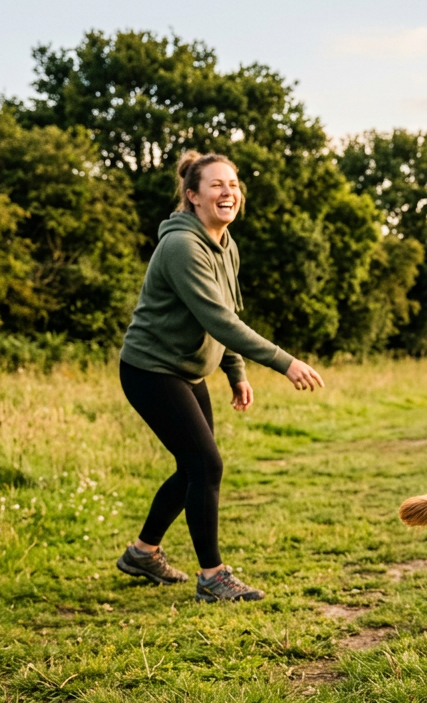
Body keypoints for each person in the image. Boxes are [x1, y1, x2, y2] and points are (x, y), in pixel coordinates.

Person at [114, 151, 324, 602]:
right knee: (205, 466)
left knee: (193, 466)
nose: (228, 192)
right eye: (216, 185)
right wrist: (285, 362)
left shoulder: (225, 244)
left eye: (233, 184)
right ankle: (212, 577)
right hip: (151, 370)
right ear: (192, 196)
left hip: (188, 370)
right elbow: (218, 320)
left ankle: (142, 553)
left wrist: (236, 371)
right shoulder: (181, 247)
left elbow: (226, 312)